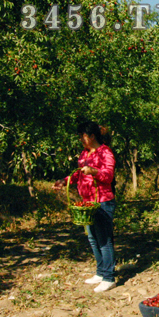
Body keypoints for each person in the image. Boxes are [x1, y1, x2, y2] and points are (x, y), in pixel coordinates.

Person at [52, 121, 116, 293]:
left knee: (104, 239)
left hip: (102, 201)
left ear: (92, 136)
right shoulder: (84, 154)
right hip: (87, 202)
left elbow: (108, 176)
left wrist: (94, 172)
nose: (80, 139)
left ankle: (109, 277)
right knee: (93, 238)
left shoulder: (105, 152)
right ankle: (101, 272)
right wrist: (64, 181)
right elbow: (78, 174)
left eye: (82, 136)